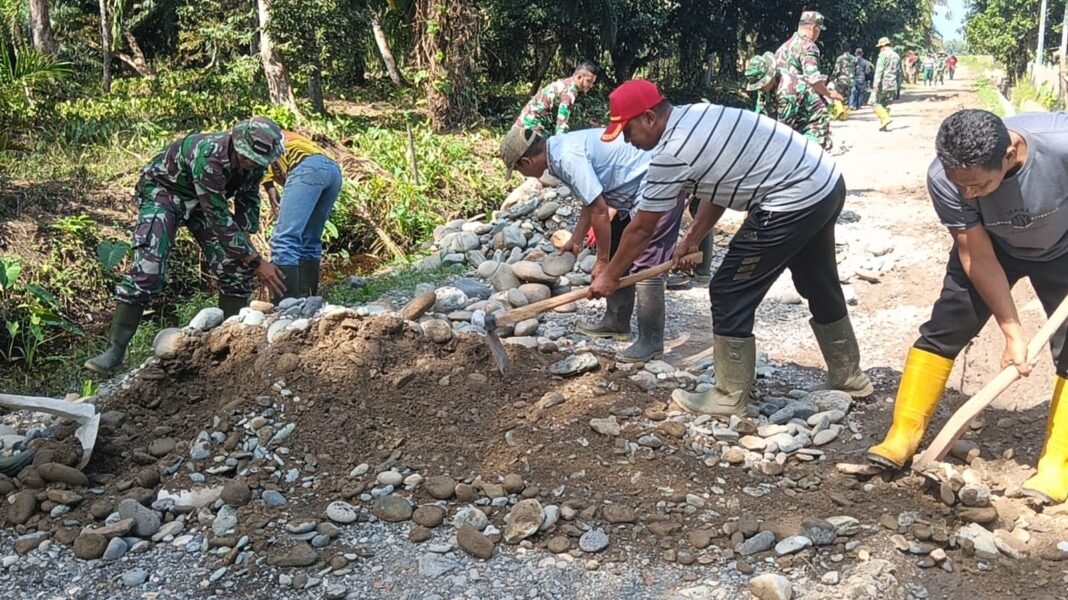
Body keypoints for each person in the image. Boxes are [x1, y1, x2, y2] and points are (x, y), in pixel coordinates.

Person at [589, 80, 872, 418]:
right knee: (816, 279)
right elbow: (719, 183)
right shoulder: (697, 115)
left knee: (729, 290)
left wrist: (610, 276)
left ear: (649, 117)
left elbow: (641, 229)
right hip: (824, 183)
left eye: (627, 131)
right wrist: (692, 237)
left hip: (791, 197)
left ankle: (729, 396)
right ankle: (848, 377)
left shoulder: (671, 152)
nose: (627, 141)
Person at [868, 109, 1068, 504]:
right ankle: (903, 434)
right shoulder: (945, 177)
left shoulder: (1060, 146)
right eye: (962, 186)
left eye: (979, 184)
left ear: (1009, 155)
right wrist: (1012, 332)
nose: (969, 194)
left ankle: (1057, 465)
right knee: (946, 327)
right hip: (993, 247)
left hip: (1063, 250)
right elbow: (976, 252)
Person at [85, 117, 287, 375]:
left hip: (203, 203)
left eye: (256, 161)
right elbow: (218, 216)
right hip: (164, 194)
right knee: (148, 271)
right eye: (247, 158)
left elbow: (247, 199)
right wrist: (256, 261)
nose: (251, 164)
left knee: (236, 269)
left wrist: (247, 247)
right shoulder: (209, 155)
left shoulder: (257, 163)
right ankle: (114, 352)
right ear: (238, 144)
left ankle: (227, 344)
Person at [499, 126, 687, 362]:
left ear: (527, 162)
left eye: (518, 169)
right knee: (618, 243)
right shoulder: (558, 151)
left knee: (646, 260)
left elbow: (599, 210)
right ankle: (616, 322)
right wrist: (576, 240)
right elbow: (590, 201)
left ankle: (651, 342)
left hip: (660, 182)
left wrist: (602, 262)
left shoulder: (566, 157)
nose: (522, 174)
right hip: (635, 190)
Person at [263, 130, 343, 302]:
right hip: (333, 169)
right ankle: (308, 300)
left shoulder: (260, 139)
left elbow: (265, 166)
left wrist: (269, 188)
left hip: (307, 167)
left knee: (284, 239)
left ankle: (285, 305)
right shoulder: (291, 137)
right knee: (309, 240)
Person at [745, 52, 831, 150]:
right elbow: (760, 113)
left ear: (770, 76)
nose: (760, 89)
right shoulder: (766, 87)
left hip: (812, 124)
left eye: (761, 85)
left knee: (798, 152)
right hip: (794, 122)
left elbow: (783, 130)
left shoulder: (787, 91)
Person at [774, 11, 845, 103]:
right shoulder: (808, 46)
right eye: (819, 30)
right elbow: (813, 79)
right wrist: (829, 94)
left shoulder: (782, 48)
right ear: (813, 28)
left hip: (779, 101)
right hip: (798, 102)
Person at [514, 61, 599, 136]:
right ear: (579, 77)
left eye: (592, 83)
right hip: (532, 126)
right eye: (588, 81)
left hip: (522, 123)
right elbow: (561, 124)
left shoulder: (564, 84)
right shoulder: (569, 92)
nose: (590, 86)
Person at [871, 37, 902, 131]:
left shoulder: (883, 55)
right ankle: (884, 125)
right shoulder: (897, 56)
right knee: (884, 104)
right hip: (893, 84)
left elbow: (879, 71)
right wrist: (898, 87)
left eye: (880, 47)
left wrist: (876, 85)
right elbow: (899, 73)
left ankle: (885, 119)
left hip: (883, 84)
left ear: (883, 46)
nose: (879, 49)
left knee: (873, 102)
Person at [830, 50, 857, 119]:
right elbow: (856, 70)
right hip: (850, 80)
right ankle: (844, 116)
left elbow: (837, 70)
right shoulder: (854, 59)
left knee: (836, 94)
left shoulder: (840, 58)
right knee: (846, 97)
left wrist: (831, 78)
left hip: (841, 79)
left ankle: (840, 110)